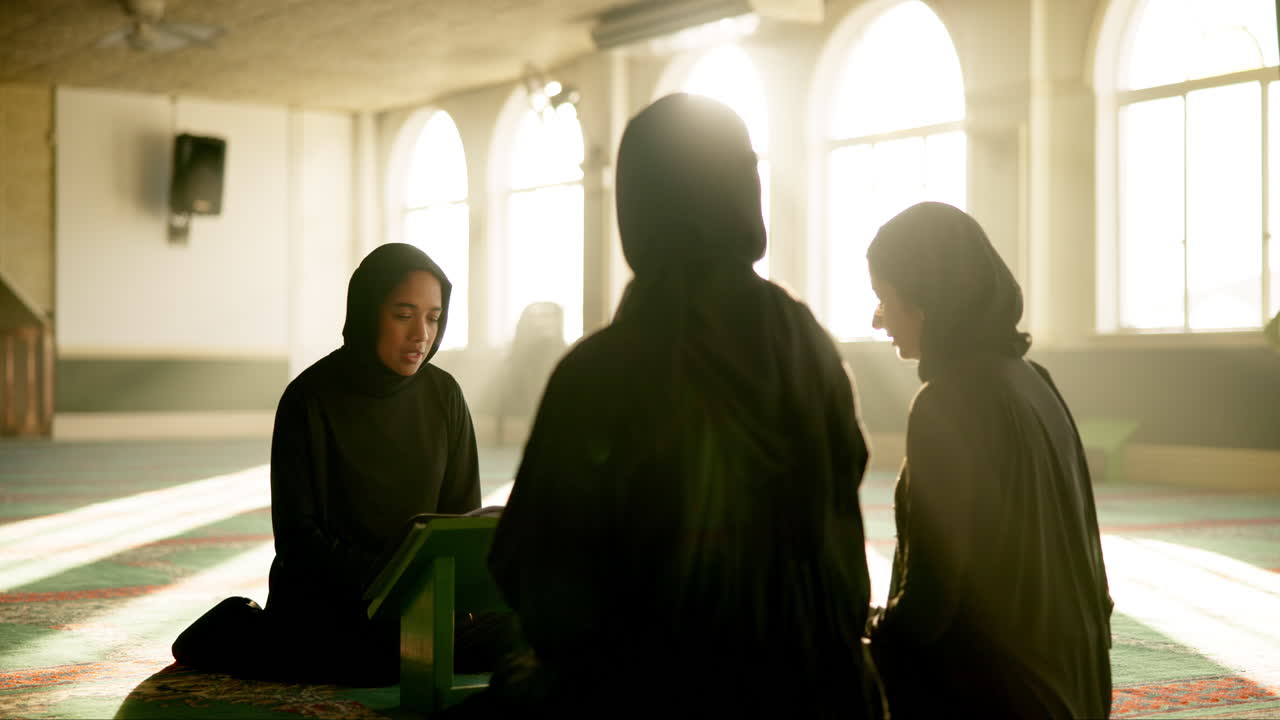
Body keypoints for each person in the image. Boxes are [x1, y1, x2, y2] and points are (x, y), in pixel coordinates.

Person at [471, 94, 880, 718]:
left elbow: (540, 582)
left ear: (638, 205)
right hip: (819, 685)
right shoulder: (808, 350)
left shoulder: (603, 370)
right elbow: (843, 554)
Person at [172, 242, 482, 686]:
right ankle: (237, 626)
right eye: (403, 315)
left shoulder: (444, 395)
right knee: (372, 661)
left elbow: (461, 515)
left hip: (420, 601)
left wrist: (448, 593)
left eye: (433, 318)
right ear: (368, 311)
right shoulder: (309, 399)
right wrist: (395, 584)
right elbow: (300, 542)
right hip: (331, 602)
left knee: (527, 634)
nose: (421, 335)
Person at [862, 202, 1113, 719]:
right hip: (1078, 689)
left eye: (884, 299)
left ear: (924, 302)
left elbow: (930, 603)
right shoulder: (1035, 380)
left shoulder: (947, 404)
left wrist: (865, 635)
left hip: (1004, 696)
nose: (878, 319)